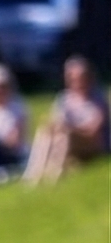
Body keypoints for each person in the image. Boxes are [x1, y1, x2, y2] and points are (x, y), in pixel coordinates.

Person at [28, 56, 108, 184]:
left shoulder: (97, 98)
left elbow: (95, 130)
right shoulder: (64, 99)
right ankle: (34, 174)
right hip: (67, 139)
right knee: (45, 133)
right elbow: (57, 122)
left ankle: (56, 173)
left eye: (81, 78)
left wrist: (71, 128)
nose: (78, 82)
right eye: (73, 79)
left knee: (66, 134)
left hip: (93, 143)